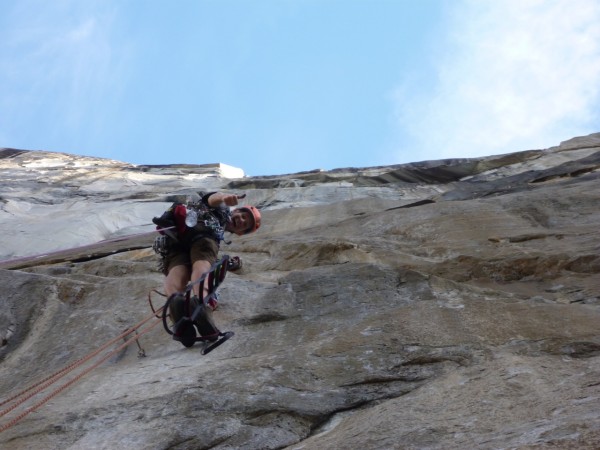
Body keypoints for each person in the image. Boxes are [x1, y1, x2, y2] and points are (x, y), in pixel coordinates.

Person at [152, 191, 261, 342]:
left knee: (177, 270)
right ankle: (201, 306)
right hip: (204, 236)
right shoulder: (222, 209)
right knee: (202, 264)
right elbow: (212, 199)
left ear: (240, 233)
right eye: (242, 215)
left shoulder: (213, 214)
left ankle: (177, 312)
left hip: (176, 238)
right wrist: (224, 198)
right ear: (235, 210)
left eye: (245, 224)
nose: (242, 220)